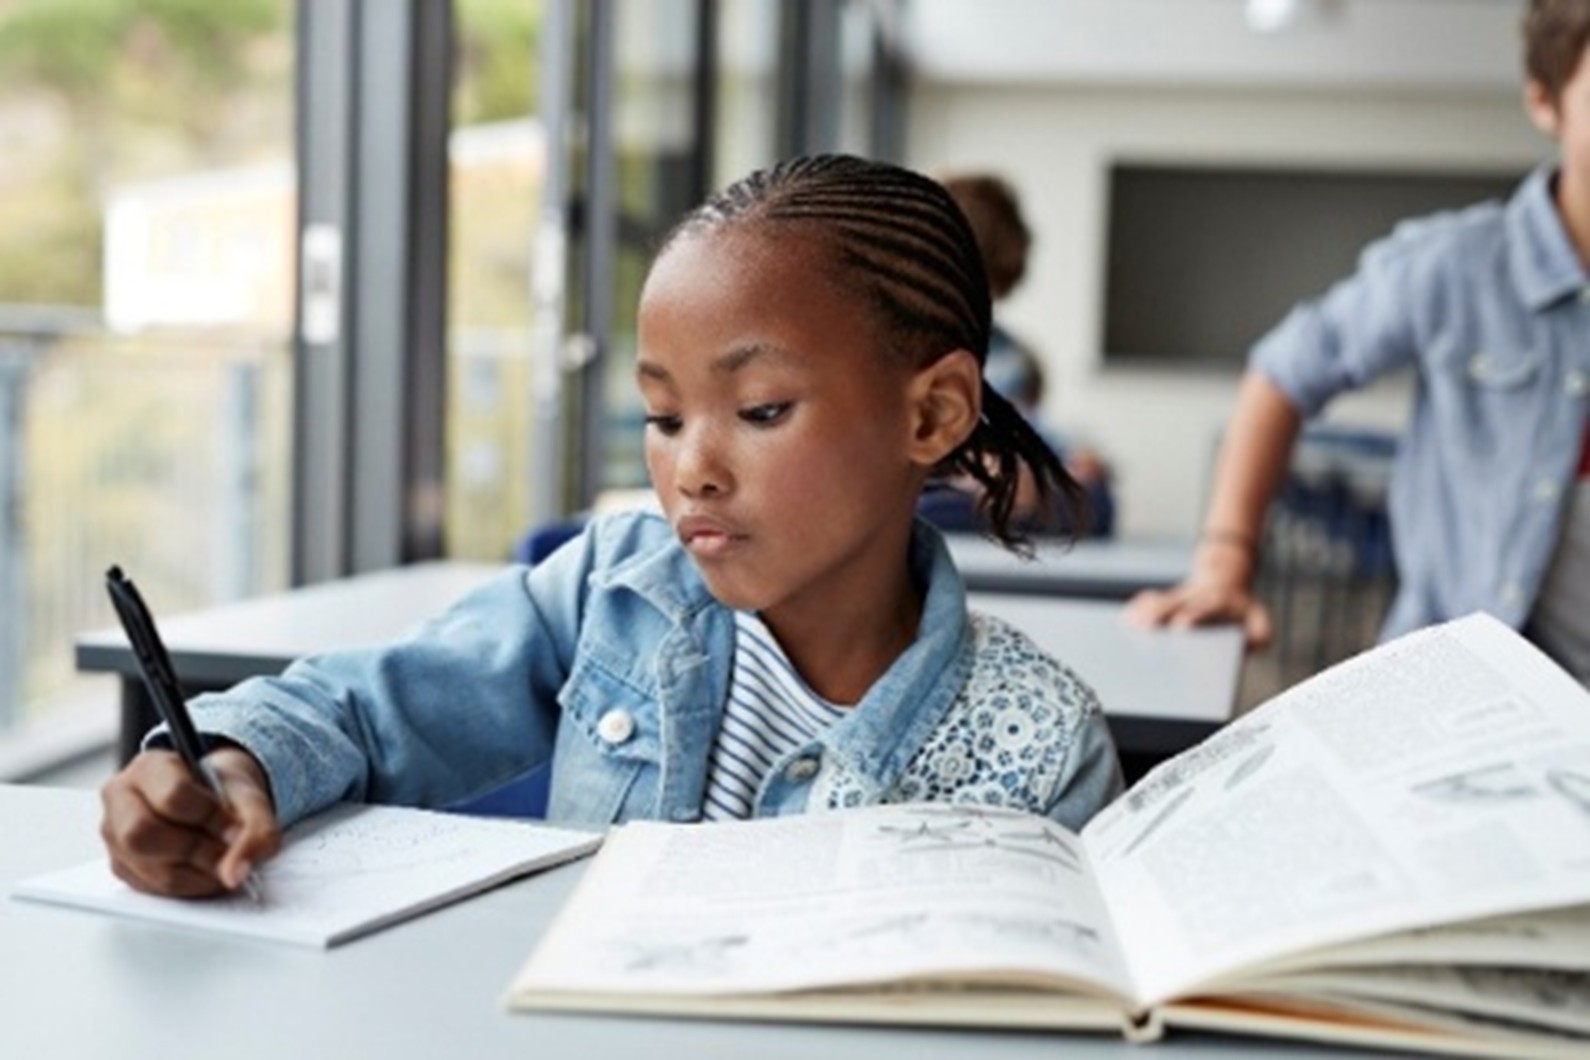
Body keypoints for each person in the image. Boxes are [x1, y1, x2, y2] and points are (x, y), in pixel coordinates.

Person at [99, 155, 1124, 898]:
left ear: (932, 414)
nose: (691, 469)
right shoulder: (613, 592)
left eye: (761, 410)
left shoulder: (1041, 747)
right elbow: (365, 708)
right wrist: (233, 766)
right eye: (664, 418)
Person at [1128, 0, 1590, 686]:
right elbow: (1282, 372)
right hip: (1460, 689)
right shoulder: (1456, 264)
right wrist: (1226, 562)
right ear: (1545, 102)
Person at [920, 172, 1116, 537]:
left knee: (1097, 500)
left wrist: (1072, 460)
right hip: (937, 495)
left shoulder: (1012, 358)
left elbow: (1027, 427)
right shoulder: (891, 350)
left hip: (1000, 493)